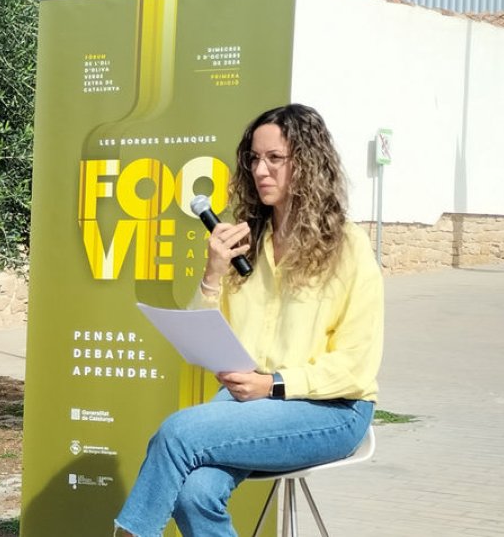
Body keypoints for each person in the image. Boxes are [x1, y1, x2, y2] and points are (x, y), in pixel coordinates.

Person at [114, 103, 384, 537]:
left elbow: (356, 366)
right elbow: (206, 336)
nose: (261, 170)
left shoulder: (348, 247)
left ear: (308, 164)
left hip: (333, 409)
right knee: (194, 492)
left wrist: (273, 383)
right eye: (254, 159)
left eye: (275, 159)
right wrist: (213, 272)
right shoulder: (245, 242)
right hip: (253, 401)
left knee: (178, 432)